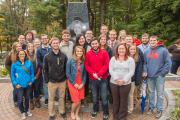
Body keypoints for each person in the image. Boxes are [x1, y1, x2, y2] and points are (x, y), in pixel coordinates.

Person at [143, 36, 171, 118]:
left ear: (157, 41)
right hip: (150, 76)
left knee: (160, 94)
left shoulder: (163, 50)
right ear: (149, 41)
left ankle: (159, 109)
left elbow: (168, 63)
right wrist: (145, 71)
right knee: (151, 93)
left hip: (159, 76)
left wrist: (162, 73)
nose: (152, 41)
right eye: (151, 40)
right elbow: (145, 63)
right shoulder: (146, 51)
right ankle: (151, 107)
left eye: (154, 40)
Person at [109, 43, 135, 120]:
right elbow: (111, 70)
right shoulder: (113, 59)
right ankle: (115, 117)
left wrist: (123, 80)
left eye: (123, 49)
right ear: (117, 50)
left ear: (126, 50)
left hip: (126, 83)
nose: (121, 50)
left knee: (123, 100)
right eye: (119, 49)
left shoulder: (130, 59)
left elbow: (131, 72)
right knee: (116, 100)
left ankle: (122, 117)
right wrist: (116, 79)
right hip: (114, 82)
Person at [85, 38, 109, 120]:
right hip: (93, 79)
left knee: (104, 97)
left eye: (96, 43)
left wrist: (99, 74)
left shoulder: (104, 52)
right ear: (91, 45)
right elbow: (87, 65)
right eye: (93, 44)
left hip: (103, 79)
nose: (94, 45)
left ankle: (106, 112)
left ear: (98, 44)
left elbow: (106, 65)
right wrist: (93, 74)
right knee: (94, 97)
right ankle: (95, 110)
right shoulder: (88, 54)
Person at [43, 37, 67, 120]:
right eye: (54, 43)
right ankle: (52, 114)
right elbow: (45, 69)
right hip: (52, 82)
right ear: (51, 44)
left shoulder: (64, 56)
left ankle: (62, 112)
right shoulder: (47, 56)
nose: (56, 44)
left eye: (57, 43)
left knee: (61, 98)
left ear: (59, 44)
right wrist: (47, 80)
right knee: (51, 98)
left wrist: (65, 78)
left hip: (62, 81)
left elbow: (65, 68)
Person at [11, 50, 34, 120]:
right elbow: (12, 75)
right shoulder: (14, 64)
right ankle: (22, 112)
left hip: (27, 84)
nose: (22, 56)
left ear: (25, 55)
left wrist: (31, 81)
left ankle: (27, 110)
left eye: (23, 54)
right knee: (20, 100)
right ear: (18, 55)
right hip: (19, 85)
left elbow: (32, 73)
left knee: (27, 99)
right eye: (20, 54)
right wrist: (15, 84)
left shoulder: (29, 63)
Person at [66, 46, 86, 120]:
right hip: (72, 82)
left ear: (83, 52)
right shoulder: (70, 60)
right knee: (76, 100)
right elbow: (68, 73)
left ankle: (77, 114)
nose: (79, 52)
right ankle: (72, 112)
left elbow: (84, 74)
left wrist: (83, 83)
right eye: (78, 51)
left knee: (80, 99)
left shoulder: (83, 61)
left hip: (81, 83)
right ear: (75, 52)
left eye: (81, 51)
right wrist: (74, 83)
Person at [128, 44, 143, 114]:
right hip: (125, 79)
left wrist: (137, 81)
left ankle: (130, 109)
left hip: (133, 80)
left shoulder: (138, 58)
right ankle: (125, 107)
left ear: (136, 50)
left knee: (131, 95)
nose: (132, 50)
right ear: (128, 50)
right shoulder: (126, 57)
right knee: (125, 94)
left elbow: (139, 71)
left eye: (134, 49)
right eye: (131, 49)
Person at [5, 42, 22, 106]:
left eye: (20, 46)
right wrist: (12, 71)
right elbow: (7, 64)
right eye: (17, 46)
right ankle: (15, 101)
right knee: (16, 87)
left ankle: (20, 99)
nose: (19, 47)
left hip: (21, 74)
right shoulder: (10, 54)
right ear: (14, 47)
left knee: (20, 87)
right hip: (14, 75)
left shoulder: (22, 53)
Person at [36, 34, 51, 105]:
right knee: (45, 84)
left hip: (53, 69)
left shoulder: (52, 48)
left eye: (46, 38)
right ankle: (47, 98)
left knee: (53, 83)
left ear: (48, 39)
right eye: (43, 39)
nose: (44, 40)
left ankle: (54, 96)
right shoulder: (39, 50)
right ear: (41, 40)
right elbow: (39, 61)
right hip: (44, 70)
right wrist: (45, 67)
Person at [26, 43, 41, 109]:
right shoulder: (25, 56)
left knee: (37, 89)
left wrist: (37, 75)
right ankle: (31, 101)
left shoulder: (37, 55)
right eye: (29, 47)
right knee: (30, 89)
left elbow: (40, 66)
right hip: (28, 76)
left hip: (36, 75)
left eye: (32, 46)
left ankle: (37, 100)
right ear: (27, 48)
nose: (30, 48)